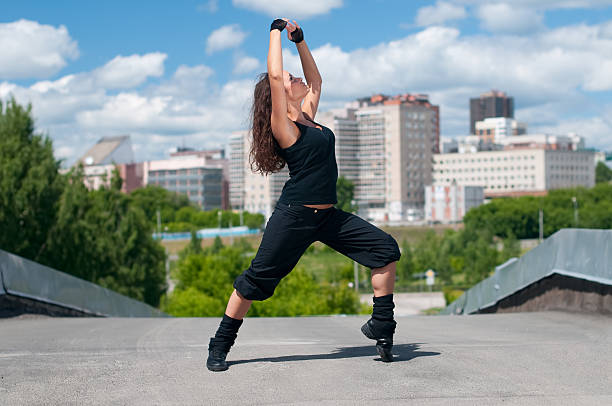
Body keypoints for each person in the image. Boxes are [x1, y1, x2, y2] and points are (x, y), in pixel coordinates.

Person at [207, 18, 401, 372]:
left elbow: (316, 81)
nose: (296, 79)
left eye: (296, 78)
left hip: (327, 216)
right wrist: (275, 30)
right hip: (295, 216)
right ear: (279, 94)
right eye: (289, 80)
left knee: (384, 250)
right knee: (255, 281)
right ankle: (220, 344)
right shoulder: (284, 126)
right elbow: (278, 77)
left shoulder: (310, 117)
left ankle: (382, 327)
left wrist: (301, 41)